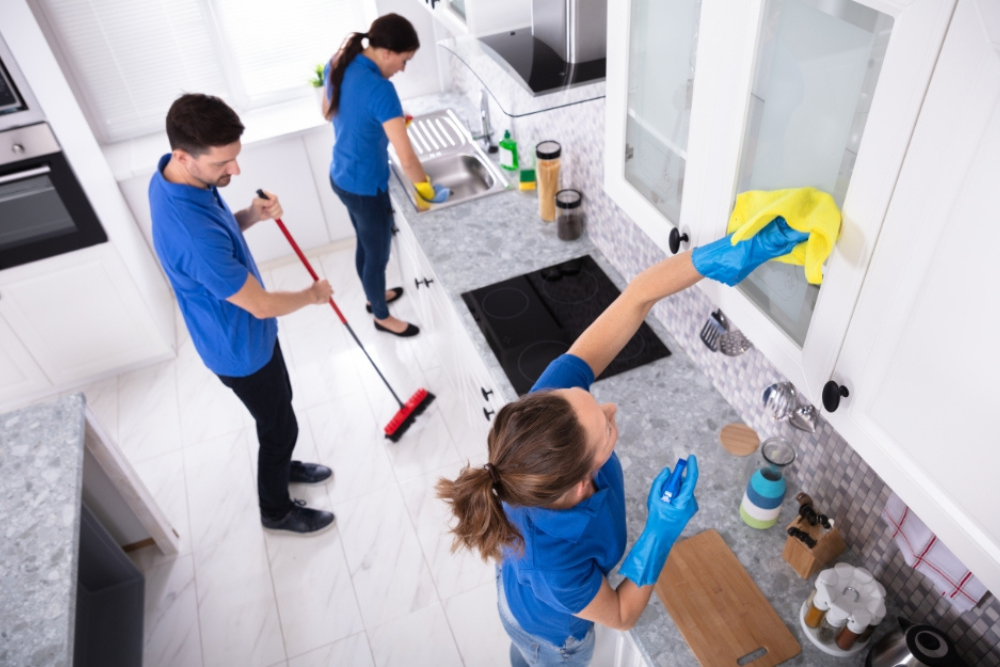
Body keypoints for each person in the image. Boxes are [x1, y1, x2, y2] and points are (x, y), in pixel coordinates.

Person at [436, 220, 810, 666]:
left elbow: (637, 297)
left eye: (589, 400)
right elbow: (619, 613)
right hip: (551, 635)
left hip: (527, 583)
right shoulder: (554, 562)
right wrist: (661, 528)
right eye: (606, 430)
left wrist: (718, 256)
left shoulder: (546, 415)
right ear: (580, 484)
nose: (610, 408)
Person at [149, 93, 336, 535]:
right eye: (223, 164)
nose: (235, 171)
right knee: (278, 428)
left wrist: (251, 213)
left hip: (246, 335)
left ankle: (284, 463)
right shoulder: (190, 233)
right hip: (239, 348)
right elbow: (261, 303)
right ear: (184, 155)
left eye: (235, 158)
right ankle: (276, 511)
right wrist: (312, 294)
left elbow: (220, 236)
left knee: (279, 412)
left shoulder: (174, 178)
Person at [321, 13, 450, 338]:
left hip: (340, 175)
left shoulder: (339, 62)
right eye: (405, 60)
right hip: (365, 187)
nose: (403, 68)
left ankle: (371, 295)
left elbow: (329, 112)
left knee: (365, 245)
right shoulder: (381, 90)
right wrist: (427, 190)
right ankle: (381, 315)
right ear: (387, 52)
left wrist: (382, 121)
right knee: (376, 256)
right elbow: (407, 158)